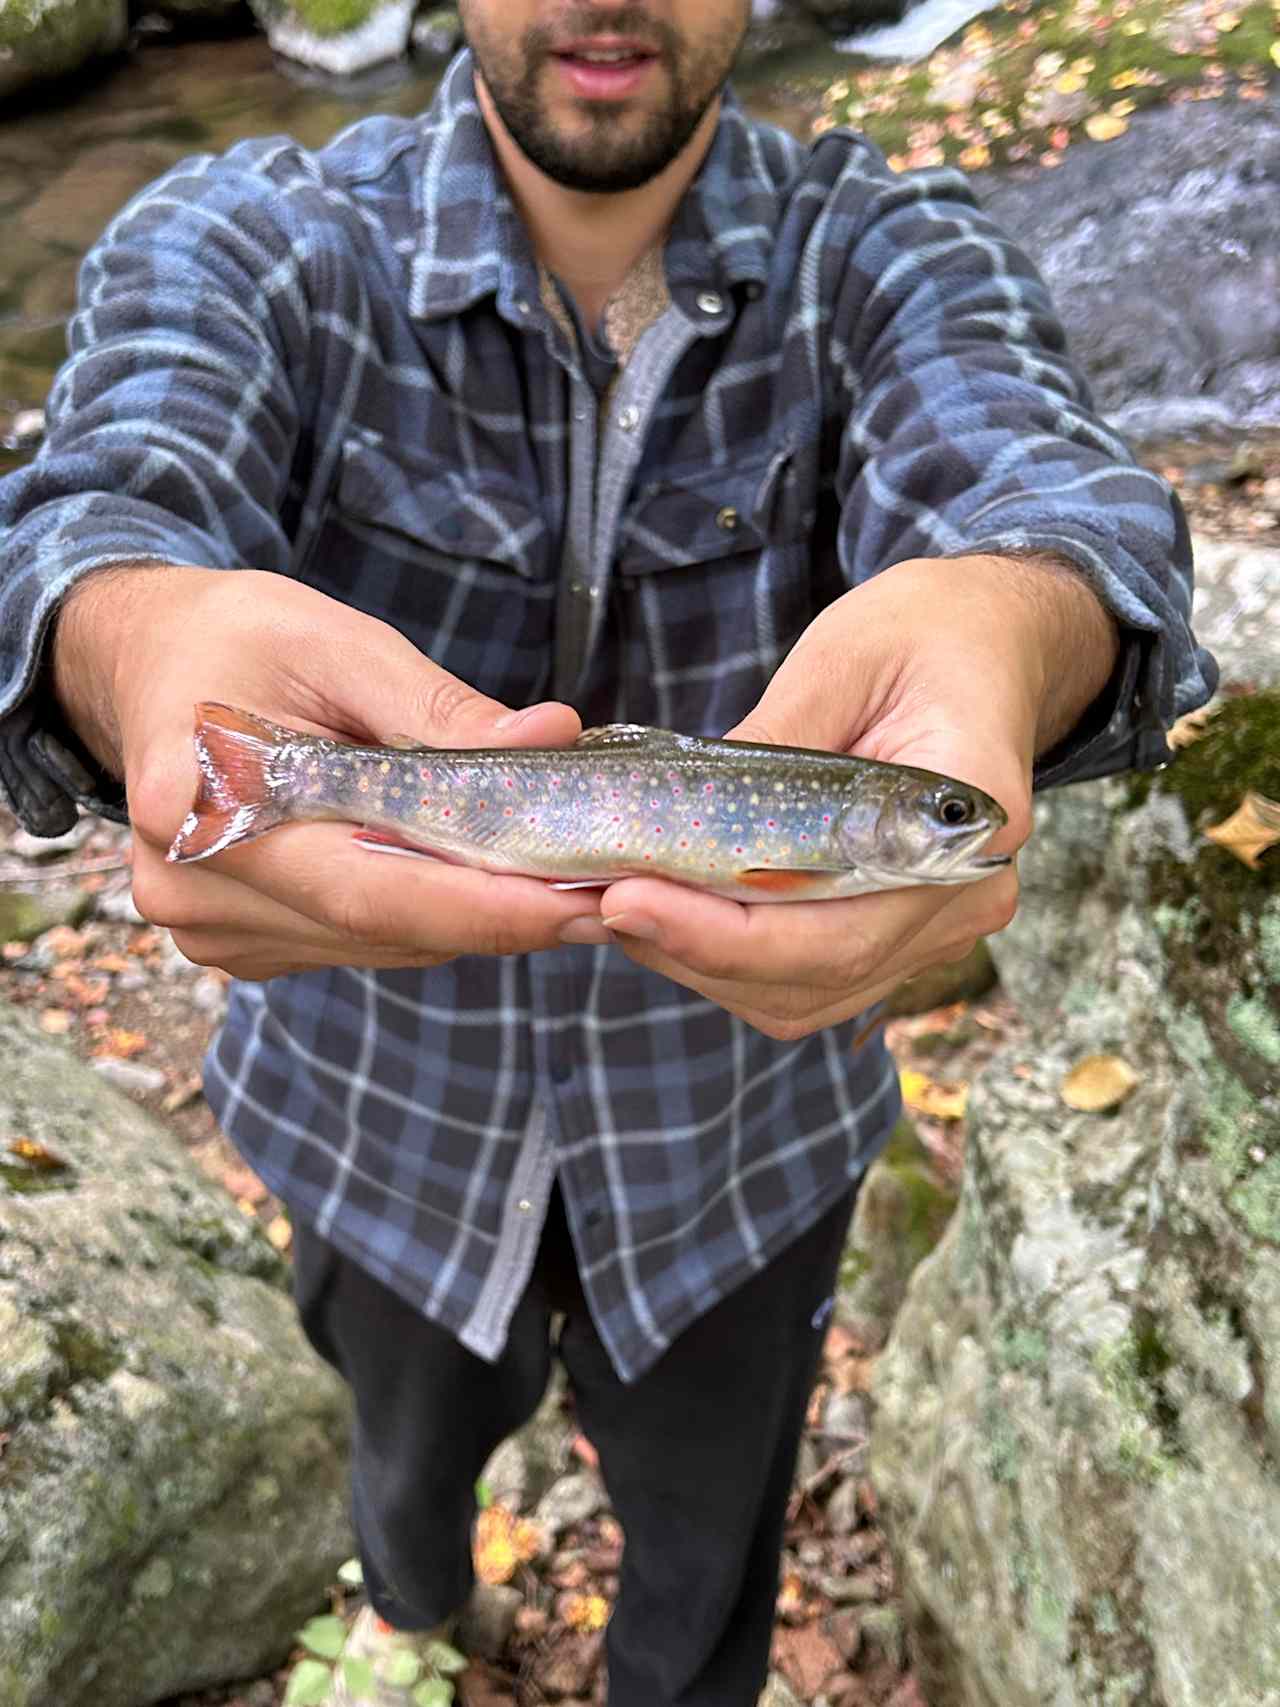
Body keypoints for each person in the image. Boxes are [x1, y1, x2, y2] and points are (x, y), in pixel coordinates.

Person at [0, 3, 1216, 1703]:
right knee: (405, 1484)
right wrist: (127, 648)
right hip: (373, 1132)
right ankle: (420, 1616)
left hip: (746, 1154)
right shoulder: (254, 236)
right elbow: (98, 493)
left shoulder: (892, 252)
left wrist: (1020, 630)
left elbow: (1056, 489)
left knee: (710, 1552)